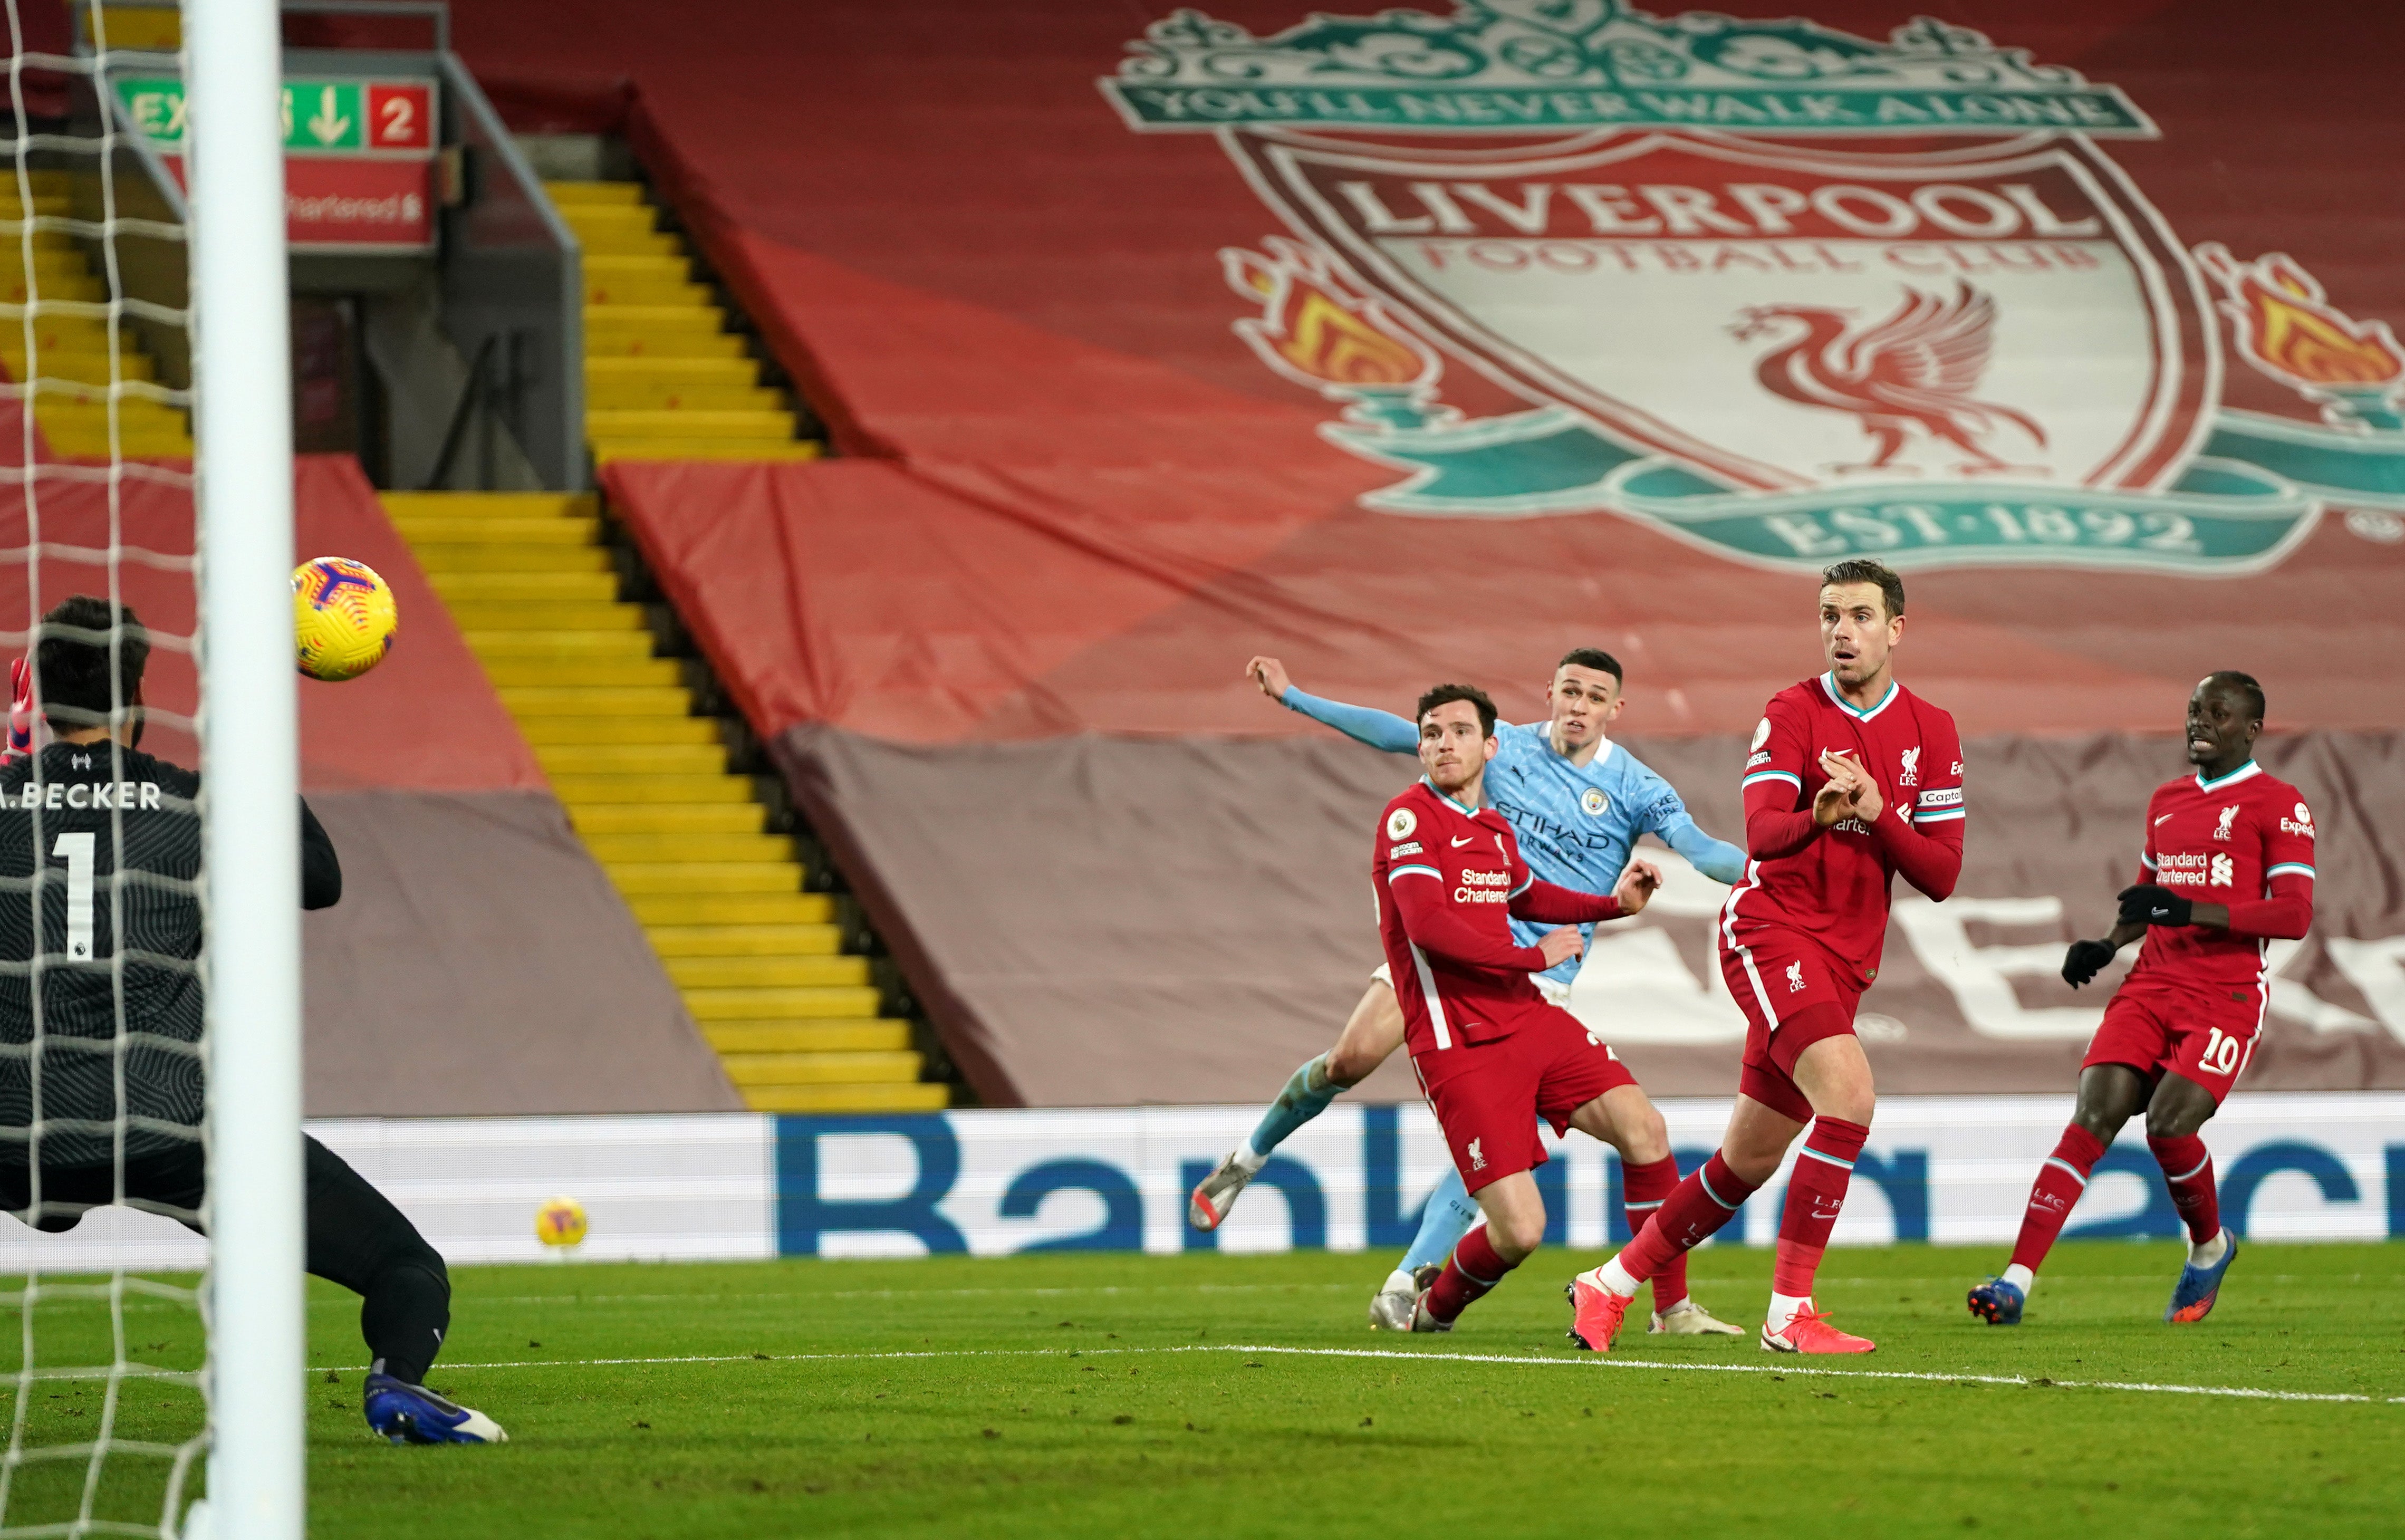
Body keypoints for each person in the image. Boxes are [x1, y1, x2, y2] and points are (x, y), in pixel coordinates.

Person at [0, 596, 504, 1445]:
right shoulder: (193, 805)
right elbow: (319, 878)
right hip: (166, 1127)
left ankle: (41, 1194)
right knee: (406, 1266)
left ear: (41, 699)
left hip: (14, 1127)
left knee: (43, 1191)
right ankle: (395, 1390)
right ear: (139, 700)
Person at [1188, 649, 1747, 1337]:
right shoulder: (1501, 744)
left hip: (1541, 983)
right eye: (1569, 690)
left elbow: (1700, 848)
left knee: (1550, 1147)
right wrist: (1296, 697)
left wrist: (1771, 871)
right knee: (1347, 1063)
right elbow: (1397, 732)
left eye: (1594, 697)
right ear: (1550, 692)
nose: (1579, 706)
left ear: (1614, 710)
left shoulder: (1638, 788)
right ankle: (1249, 1159)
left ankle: (1421, 1285)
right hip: (1458, 956)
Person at [1566, 558, 1964, 1355]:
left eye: (1857, 616)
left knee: (1744, 1160)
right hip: (1771, 932)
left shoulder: (1933, 729)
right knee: (1849, 1096)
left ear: (1896, 628)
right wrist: (1818, 816)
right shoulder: (1791, 712)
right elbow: (1763, 838)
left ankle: (1607, 1285)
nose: (1841, 632)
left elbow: (1942, 874)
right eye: (1828, 616)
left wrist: (1881, 815)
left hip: (1847, 960)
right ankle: (1790, 1313)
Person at [1968, 672, 2308, 1327]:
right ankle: (2014, 1282)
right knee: (2093, 1115)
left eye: (2216, 713)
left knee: (2170, 1125)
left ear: (2252, 728)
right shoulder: (2167, 801)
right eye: (2192, 711)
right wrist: (2106, 942)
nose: (2198, 723)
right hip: (2151, 984)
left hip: (2226, 993)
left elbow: (2293, 913)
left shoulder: (2279, 803)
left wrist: (2190, 909)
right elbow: (2150, 899)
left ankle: (2209, 1246)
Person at [1373, 682, 1664, 1332]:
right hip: (1460, 1042)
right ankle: (1434, 1309)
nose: (1443, 743)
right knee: (1523, 1229)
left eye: (1459, 731)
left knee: (1644, 1129)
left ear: (1491, 746)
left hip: (1527, 1019)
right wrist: (1533, 960)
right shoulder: (1409, 818)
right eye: (1431, 733)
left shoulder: (1493, 829)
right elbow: (1428, 927)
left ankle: (1666, 1307)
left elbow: (1532, 897)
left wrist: (1611, 906)